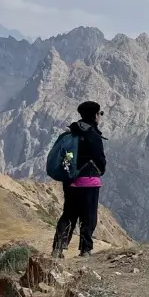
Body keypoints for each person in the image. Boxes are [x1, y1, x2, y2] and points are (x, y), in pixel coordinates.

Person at [52, 101, 106, 258]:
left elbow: (67, 158)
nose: (100, 117)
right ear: (94, 115)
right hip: (89, 181)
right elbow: (100, 158)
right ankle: (85, 250)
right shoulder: (93, 135)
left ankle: (58, 248)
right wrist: (100, 170)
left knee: (69, 215)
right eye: (99, 114)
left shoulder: (71, 133)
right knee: (88, 217)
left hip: (71, 182)